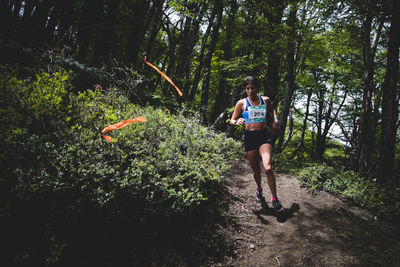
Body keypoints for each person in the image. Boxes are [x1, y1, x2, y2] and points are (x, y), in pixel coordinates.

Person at [230, 76, 284, 212]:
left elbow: (272, 111)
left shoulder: (265, 100)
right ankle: (259, 189)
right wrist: (237, 122)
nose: (250, 91)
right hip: (249, 137)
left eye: (252, 88)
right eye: (247, 88)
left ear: (257, 88)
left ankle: (275, 199)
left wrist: (275, 120)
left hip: (263, 136)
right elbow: (232, 119)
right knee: (256, 170)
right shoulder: (241, 103)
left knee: (267, 168)